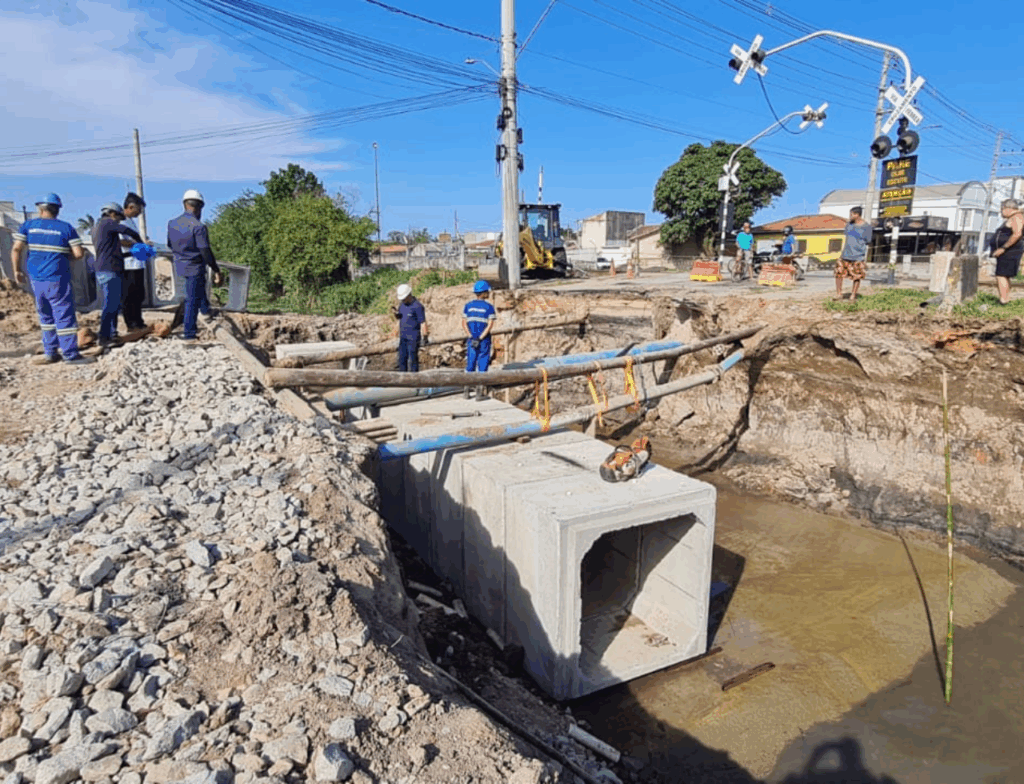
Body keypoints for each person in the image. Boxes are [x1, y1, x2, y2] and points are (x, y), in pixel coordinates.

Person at [11, 194, 94, 365]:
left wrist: (17, 270)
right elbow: (78, 254)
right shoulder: (65, 228)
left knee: (46, 317)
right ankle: (70, 355)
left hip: (36, 279)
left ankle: (50, 352)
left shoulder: (28, 226)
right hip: (57, 278)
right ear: (58, 210)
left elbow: (16, 249)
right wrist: (64, 254)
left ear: (40, 208)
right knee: (64, 316)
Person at [167, 189, 222, 343]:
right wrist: (216, 269)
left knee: (199, 287)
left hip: (179, 265)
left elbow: (169, 244)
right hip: (194, 266)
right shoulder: (198, 226)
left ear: (185, 205)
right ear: (199, 208)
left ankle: (206, 311)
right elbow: (205, 251)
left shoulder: (172, 224)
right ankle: (189, 334)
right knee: (192, 300)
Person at [92, 202, 143, 347]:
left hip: (104, 268)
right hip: (110, 270)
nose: (119, 221)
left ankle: (112, 334)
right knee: (110, 305)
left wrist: (132, 253)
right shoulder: (107, 222)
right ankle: (104, 337)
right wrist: (139, 242)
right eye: (118, 218)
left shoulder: (97, 227)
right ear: (112, 213)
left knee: (112, 304)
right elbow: (129, 231)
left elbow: (111, 253)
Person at [121, 192, 149, 330]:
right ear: (131, 207)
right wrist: (136, 245)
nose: (139, 214)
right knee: (129, 295)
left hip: (137, 263)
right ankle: (131, 323)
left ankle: (138, 321)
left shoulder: (130, 222)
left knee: (138, 294)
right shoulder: (120, 221)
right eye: (138, 210)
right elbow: (120, 241)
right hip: (128, 264)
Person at [835, 206, 872, 301]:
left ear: (857, 215)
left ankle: (853, 295)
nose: (850, 216)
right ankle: (839, 294)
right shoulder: (849, 225)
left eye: (851, 214)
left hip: (858, 255)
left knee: (857, 276)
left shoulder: (866, 227)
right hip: (845, 255)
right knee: (838, 274)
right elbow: (846, 237)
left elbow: (868, 240)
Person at [991, 198, 1023, 305]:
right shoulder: (1015, 217)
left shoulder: (1017, 217)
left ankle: (1003, 300)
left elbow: (1017, 234)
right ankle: (1005, 298)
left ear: (1008, 208)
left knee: (1001, 275)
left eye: (1002, 209)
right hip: (1008, 251)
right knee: (1004, 275)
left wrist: (1003, 248)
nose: (1001, 212)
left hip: (1010, 251)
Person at [392, 283, 428, 371]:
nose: (403, 300)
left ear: (409, 295)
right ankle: (402, 378)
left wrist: (425, 335)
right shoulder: (402, 305)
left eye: (404, 298)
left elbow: (423, 322)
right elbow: (401, 317)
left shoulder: (417, 306)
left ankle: (414, 378)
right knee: (402, 358)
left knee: (413, 359)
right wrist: (396, 314)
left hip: (413, 338)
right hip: (403, 336)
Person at [463, 280, 496, 372]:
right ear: (484, 293)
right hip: (483, 340)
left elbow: (464, 323)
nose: (489, 293)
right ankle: (481, 384)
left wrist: (471, 337)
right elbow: (490, 325)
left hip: (471, 339)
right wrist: (480, 338)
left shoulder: (468, 306)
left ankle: (468, 384)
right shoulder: (489, 307)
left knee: (471, 362)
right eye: (487, 291)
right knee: (483, 362)